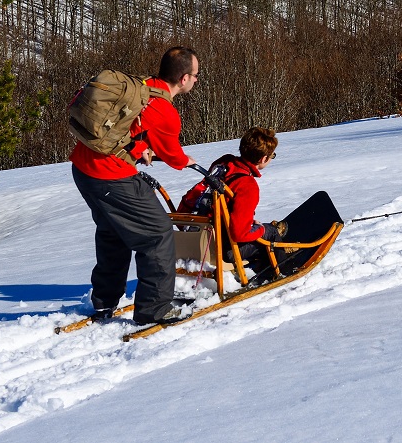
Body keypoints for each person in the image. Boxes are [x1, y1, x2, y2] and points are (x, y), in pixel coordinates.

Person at [71, 47, 200, 325]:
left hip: (83, 169)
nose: (196, 80)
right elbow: (173, 155)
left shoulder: (141, 86)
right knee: (157, 234)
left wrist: (138, 147)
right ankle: (154, 309)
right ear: (183, 78)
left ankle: (104, 302)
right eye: (195, 75)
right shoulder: (165, 110)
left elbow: (124, 127)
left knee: (113, 232)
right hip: (110, 176)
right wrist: (186, 160)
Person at [177, 127, 285, 276]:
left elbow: (223, 204)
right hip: (223, 250)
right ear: (263, 159)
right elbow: (239, 234)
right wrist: (260, 229)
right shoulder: (247, 185)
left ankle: (259, 264)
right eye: (271, 156)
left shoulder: (224, 163)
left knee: (256, 227)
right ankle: (282, 271)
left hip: (196, 239)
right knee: (270, 232)